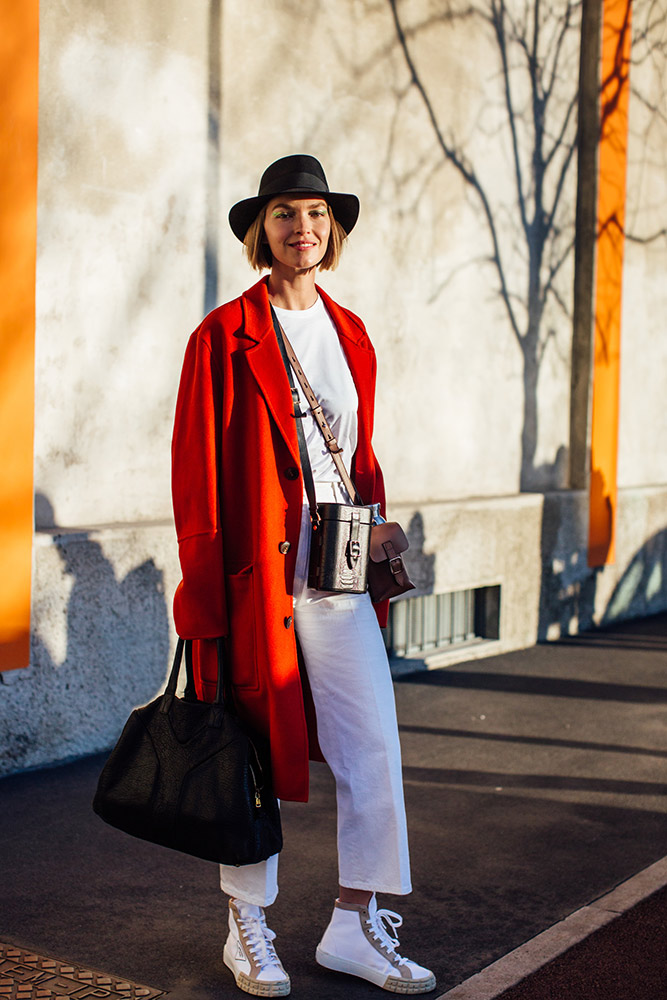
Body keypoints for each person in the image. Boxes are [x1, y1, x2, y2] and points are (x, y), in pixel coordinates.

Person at [171, 155, 435, 997]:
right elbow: (196, 477)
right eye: (285, 213)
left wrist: (375, 533)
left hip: (339, 576)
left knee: (372, 749)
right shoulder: (222, 335)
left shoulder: (349, 330)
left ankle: (355, 926)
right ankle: (245, 926)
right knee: (250, 753)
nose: (303, 228)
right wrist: (203, 599)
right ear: (262, 230)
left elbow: (356, 456)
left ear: (334, 228)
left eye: (316, 212)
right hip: (260, 584)